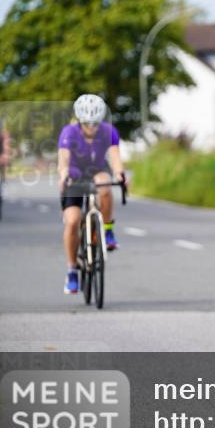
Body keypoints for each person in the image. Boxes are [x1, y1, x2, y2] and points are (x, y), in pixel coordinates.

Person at [57, 94, 127, 295]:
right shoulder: (69, 132)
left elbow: (115, 157)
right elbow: (64, 159)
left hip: (97, 170)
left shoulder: (109, 132)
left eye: (95, 123)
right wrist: (64, 175)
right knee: (72, 221)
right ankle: (72, 270)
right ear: (80, 121)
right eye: (87, 124)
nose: (92, 128)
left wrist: (120, 175)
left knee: (104, 185)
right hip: (74, 174)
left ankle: (107, 229)